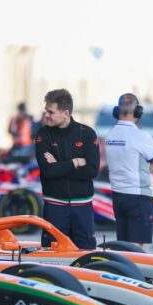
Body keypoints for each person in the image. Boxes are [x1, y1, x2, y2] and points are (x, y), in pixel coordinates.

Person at [35, 89, 99, 250]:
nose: (46, 115)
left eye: (51, 112)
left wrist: (59, 166)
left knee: (86, 255)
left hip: (83, 208)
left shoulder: (87, 134)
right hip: (54, 207)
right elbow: (48, 171)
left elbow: (92, 171)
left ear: (66, 113)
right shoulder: (43, 134)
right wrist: (76, 162)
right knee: (52, 257)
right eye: (46, 111)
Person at [105, 93, 153, 247]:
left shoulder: (110, 135)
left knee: (123, 247)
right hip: (139, 197)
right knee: (136, 249)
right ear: (138, 111)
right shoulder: (142, 136)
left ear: (117, 111)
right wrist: (149, 167)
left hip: (118, 195)